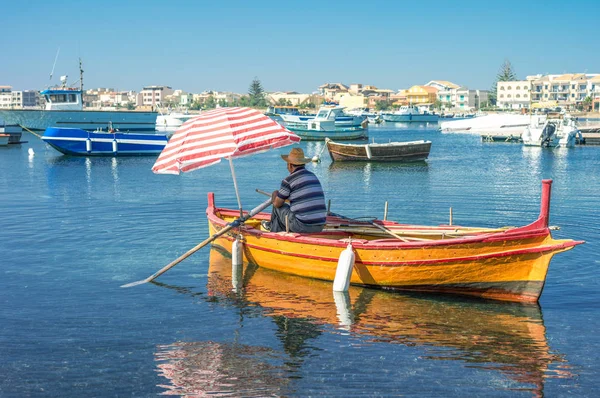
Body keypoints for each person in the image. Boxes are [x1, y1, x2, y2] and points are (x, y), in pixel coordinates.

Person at [262, 147, 327, 233]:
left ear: (290, 165)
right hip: (320, 226)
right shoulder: (313, 176)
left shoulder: (288, 180)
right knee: (285, 209)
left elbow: (277, 204)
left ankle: (272, 228)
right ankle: (274, 227)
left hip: (302, 226)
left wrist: (275, 194)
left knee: (277, 205)